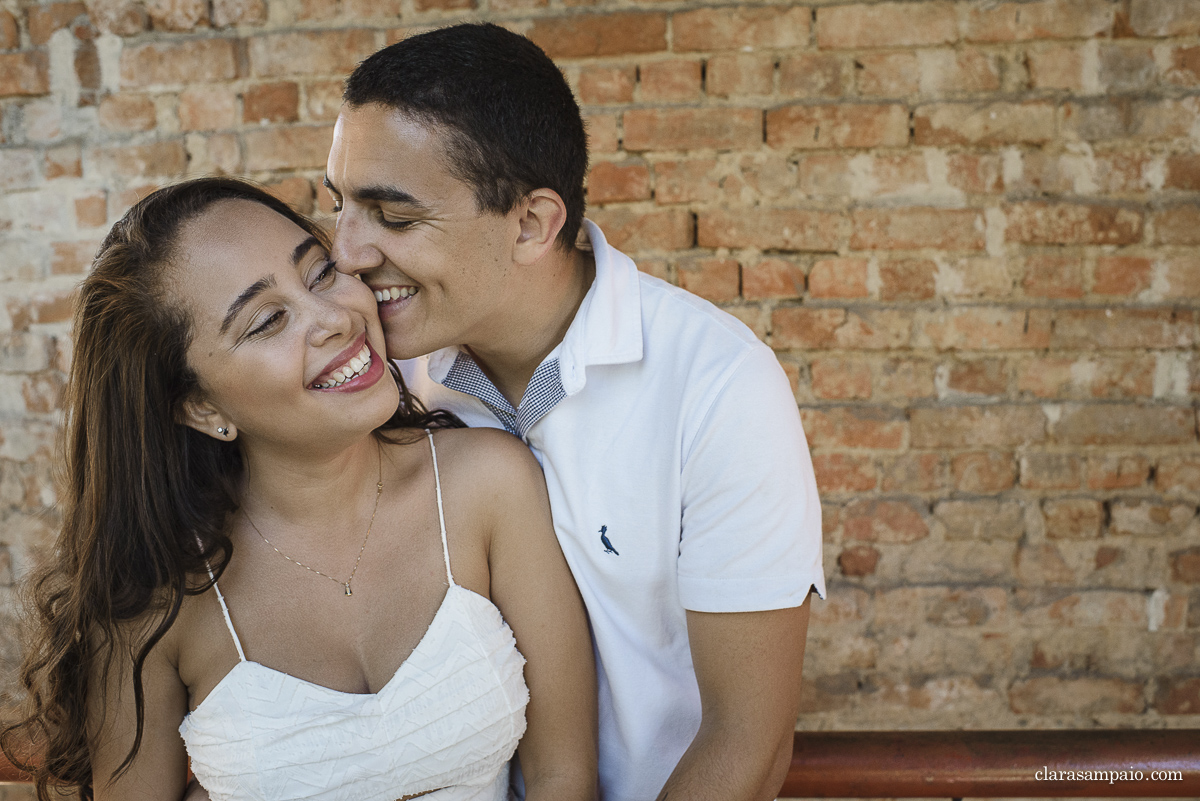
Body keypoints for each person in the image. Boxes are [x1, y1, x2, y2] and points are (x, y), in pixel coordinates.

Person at [324, 23, 826, 801]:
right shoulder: (383, 383)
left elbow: (746, 744)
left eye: (392, 216)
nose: (347, 252)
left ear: (531, 223)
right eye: (341, 206)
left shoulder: (716, 385)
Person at [1, 177, 597, 801]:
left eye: (318, 273)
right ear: (201, 406)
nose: (335, 319)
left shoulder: (489, 485)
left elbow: (565, 775)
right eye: (267, 321)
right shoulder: (154, 597)